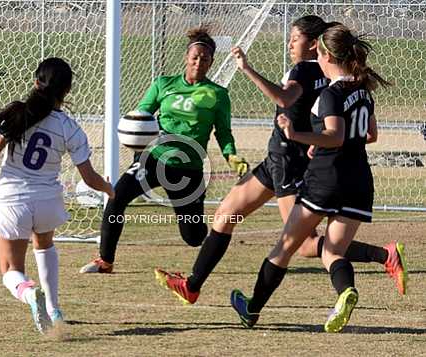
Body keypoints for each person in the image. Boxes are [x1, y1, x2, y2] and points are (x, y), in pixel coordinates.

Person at [154, 16, 407, 305]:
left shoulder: (305, 69)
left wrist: (248, 69)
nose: (289, 44)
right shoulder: (337, 75)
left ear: (314, 46)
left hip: (289, 163)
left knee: (304, 244)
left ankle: (383, 255)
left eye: (294, 38)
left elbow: (286, 98)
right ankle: (192, 285)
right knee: (226, 215)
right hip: (278, 160)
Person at [230, 24, 397, 333]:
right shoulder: (362, 91)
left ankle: (251, 309)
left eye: (318, 54)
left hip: (326, 181)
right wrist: (319, 143)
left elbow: (334, 136)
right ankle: (345, 292)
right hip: (359, 181)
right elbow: (369, 135)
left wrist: (298, 135)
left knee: (285, 246)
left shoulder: (330, 94)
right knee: (332, 252)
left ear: (326, 56)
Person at [0, 58, 114, 334]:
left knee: (10, 271)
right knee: (44, 245)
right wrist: (108, 189)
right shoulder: (70, 128)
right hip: (47, 201)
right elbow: (89, 177)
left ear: (35, 82)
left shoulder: (17, 114)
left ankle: (30, 293)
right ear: (67, 92)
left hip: (13, 199)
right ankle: (54, 309)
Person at [79, 26, 249, 274]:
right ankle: (105, 260)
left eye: (205, 58)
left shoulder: (218, 94)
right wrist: (137, 134)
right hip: (153, 160)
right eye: (195, 57)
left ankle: (216, 231)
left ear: (212, 62)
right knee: (117, 197)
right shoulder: (163, 84)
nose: (199, 62)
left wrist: (231, 155)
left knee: (192, 236)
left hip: (188, 169)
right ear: (186, 57)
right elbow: (141, 115)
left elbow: (223, 133)